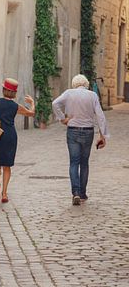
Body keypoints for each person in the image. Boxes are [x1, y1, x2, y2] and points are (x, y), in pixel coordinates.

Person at [52, 74, 109, 206]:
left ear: (74, 83)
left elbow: (55, 103)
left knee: (73, 162)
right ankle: (82, 194)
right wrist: (102, 135)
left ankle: (75, 193)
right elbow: (100, 115)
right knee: (84, 163)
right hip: (88, 131)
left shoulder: (68, 93)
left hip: (72, 130)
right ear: (86, 84)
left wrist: (62, 118)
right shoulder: (92, 95)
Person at [0, 78, 35, 203]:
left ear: (4, 89)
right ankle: (4, 194)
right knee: (7, 166)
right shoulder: (16, 106)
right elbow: (31, 113)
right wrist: (32, 103)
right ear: (14, 93)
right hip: (10, 135)